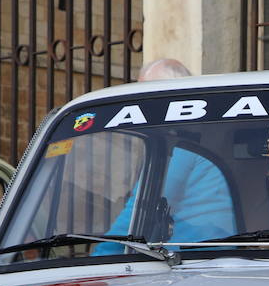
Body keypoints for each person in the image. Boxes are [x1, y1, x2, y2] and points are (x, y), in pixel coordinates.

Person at [100, 59, 236, 245]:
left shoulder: (180, 144)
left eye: (146, 97)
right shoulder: (195, 135)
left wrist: (100, 255)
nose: (141, 106)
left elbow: (143, 208)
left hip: (194, 253)